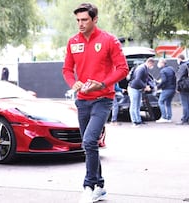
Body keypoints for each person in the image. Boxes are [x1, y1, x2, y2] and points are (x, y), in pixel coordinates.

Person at [62, 3, 129, 203]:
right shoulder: (72, 41)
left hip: (103, 100)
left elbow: (122, 69)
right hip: (82, 101)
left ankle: (89, 186)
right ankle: (100, 186)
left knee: (89, 141)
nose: (80, 24)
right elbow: (66, 69)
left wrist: (101, 84)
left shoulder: (109, 40)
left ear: (95, 19)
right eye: (78, 20)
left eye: (84, 20)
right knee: (89, 145)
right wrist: (75, 84)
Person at [127, 57, 155, 127]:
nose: (152, 66)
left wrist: (151, 86)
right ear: (149, 63)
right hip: (134, 88)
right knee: (134, 105)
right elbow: (137, 80)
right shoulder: (141, 68)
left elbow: (147, 79)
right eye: (152, 65)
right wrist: (145, 86)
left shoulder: (144, 68)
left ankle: (138, 120)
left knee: (137, 105)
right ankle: (135, 122)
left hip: (138, 89)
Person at [155, 58, 176, 123]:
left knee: (160, 102)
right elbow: (173, 78)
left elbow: (164, 80)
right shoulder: (171, 69)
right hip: (172, 89)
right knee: (168, 103)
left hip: (166, 89)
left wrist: (158, 87)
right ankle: (169, 118)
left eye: (159, 62)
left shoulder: (163, 71)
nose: (158, 64)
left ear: (162, 63)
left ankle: (163, 117)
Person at [176, 54, 189, 125]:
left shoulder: (182, 66)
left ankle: (184, 119)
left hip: (184, 87)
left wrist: (178, 88)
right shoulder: (187, 65)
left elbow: (179, 79)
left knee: (185, 104)